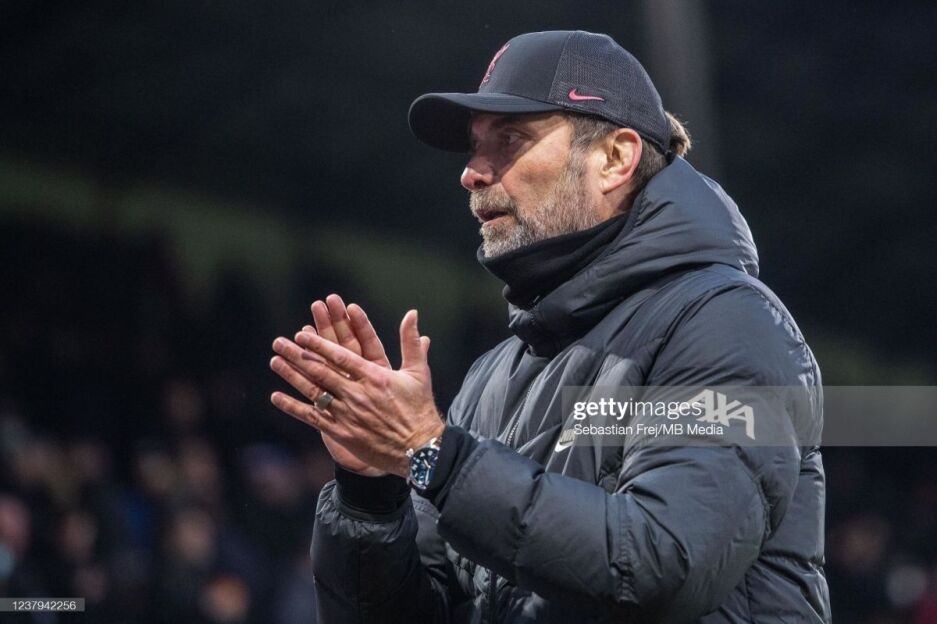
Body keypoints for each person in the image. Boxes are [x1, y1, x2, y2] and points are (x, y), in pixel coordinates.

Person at [269, 30, 830, 623]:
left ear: (615, 158)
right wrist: (370, 494)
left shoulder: (727, 321)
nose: (471, 173)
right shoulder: (491, 378)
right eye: (474, 148)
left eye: (509, 140)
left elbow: (660, 563)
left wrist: (434, 454)